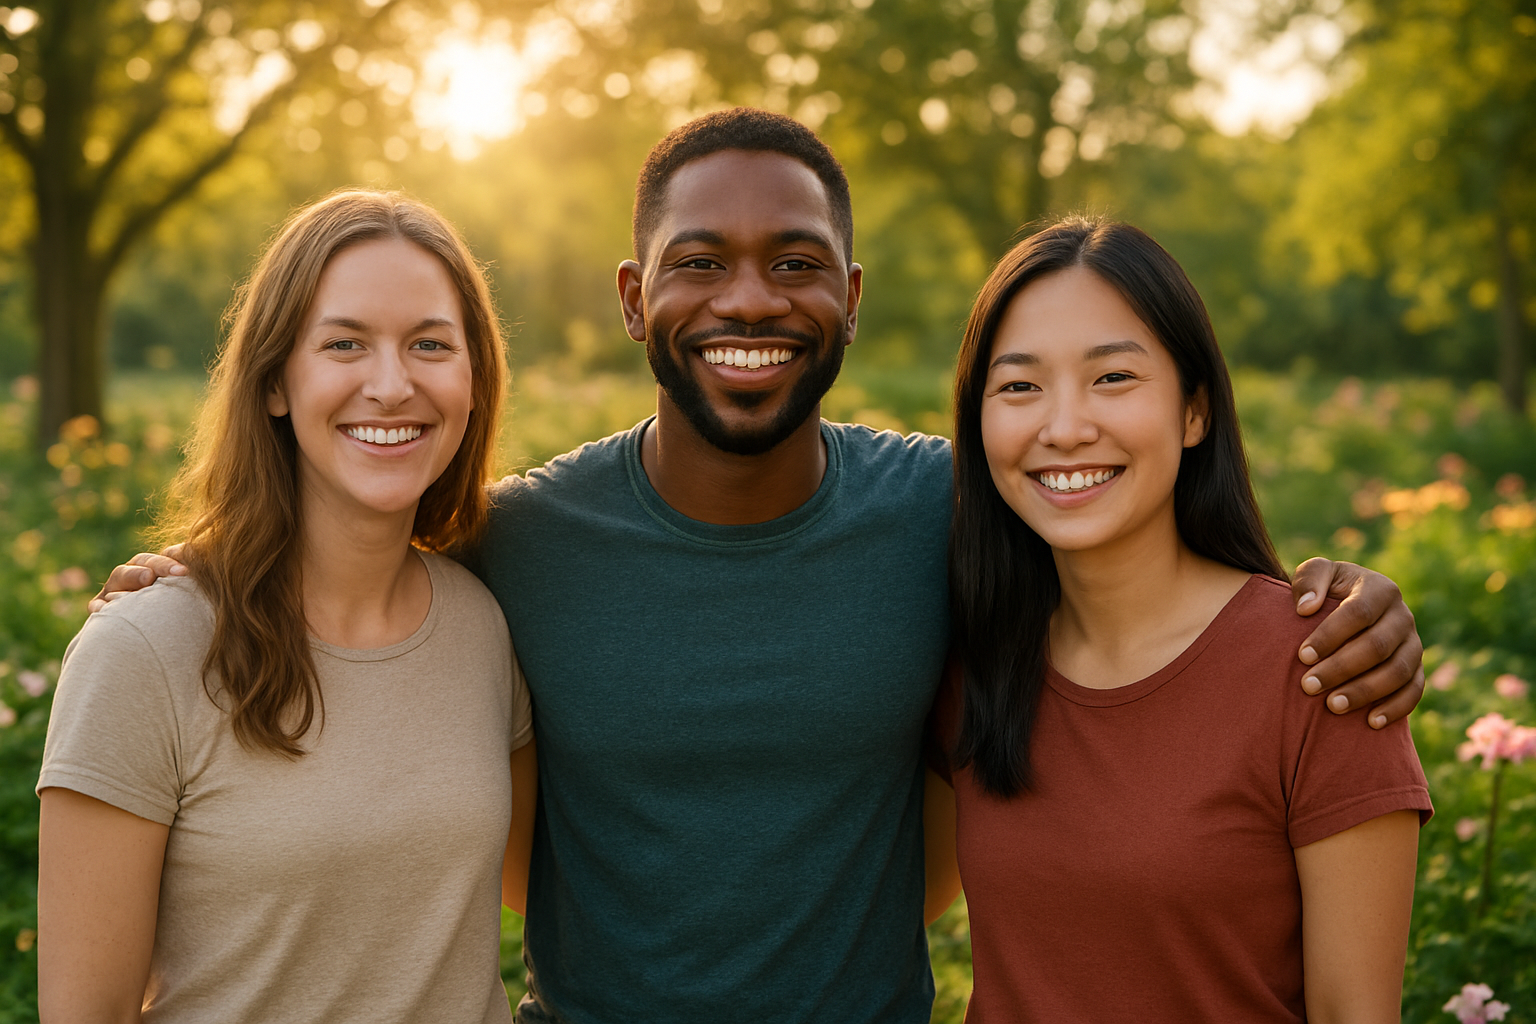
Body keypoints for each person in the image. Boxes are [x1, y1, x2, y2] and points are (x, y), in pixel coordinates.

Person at [92, 110, 1427, 1024]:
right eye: (699, 263)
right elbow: (357, 567)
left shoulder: (960, 508)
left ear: (851, 293)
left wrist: (1343, 600)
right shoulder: (517, 538)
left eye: (796, 263)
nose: (748, 301)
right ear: (632, 299)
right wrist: (197, 576)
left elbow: (1122, 522)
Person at [39, 190, 538, 1022]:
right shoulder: (145, 651)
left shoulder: (483, 623)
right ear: (275, 380)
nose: (391, 384)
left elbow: (537, 884)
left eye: (429, 344)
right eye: (344, 343)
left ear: (475, 380)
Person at [929, 218, 1432, 1023]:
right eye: (1019, 386)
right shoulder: (972, 662)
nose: (1063, 427)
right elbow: (882, 905)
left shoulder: (1324, 668)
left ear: (1195, 411)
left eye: (1113, 378)